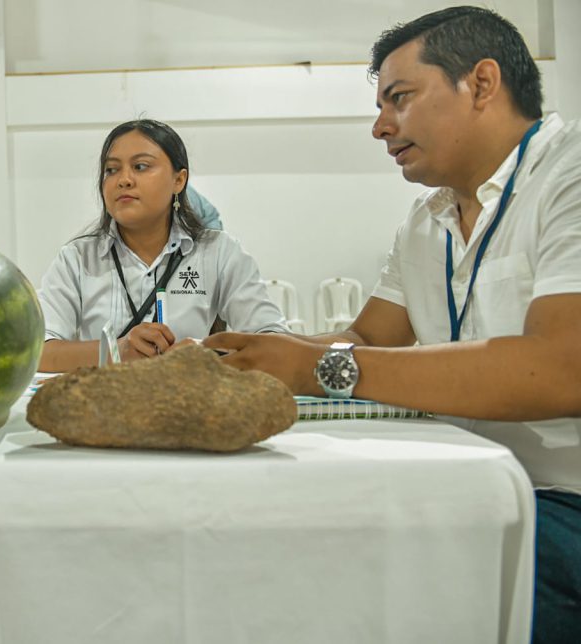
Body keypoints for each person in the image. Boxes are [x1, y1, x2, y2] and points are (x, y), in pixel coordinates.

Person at [203, 7, 581, 642]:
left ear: (482, 83)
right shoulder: (426, 220)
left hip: (559, 502)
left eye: (399, 99)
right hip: (470, 480)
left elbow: (564, 367)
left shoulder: (565, 179)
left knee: (355, 578)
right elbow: (372, 339)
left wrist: (319, 367)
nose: (381, 127)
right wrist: (249, 354)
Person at [38, 119, 286, 372]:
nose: (123, 179)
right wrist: (118, 351)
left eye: (140, 166)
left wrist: (204, 353)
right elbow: (38, 351)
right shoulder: (78, 259)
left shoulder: (218, 251)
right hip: (105, 405)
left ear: (179, 180)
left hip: (190, 405)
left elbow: (273, 340)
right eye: (111, 170)